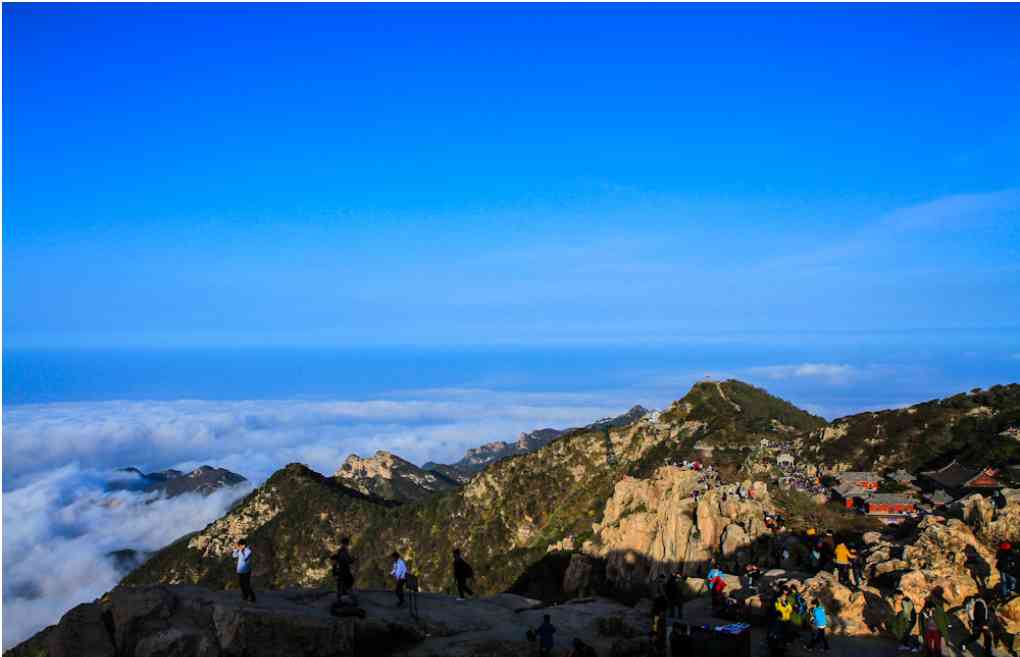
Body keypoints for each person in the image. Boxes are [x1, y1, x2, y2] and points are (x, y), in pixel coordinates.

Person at [921, 590, 951, 657]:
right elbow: (922, 622)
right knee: (928, 644)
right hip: (928, 630)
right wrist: (927, 616)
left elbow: (944, 615)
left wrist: (948, 623)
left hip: (936, 630)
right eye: (927, 609)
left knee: (937, 644)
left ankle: (938, 654)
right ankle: (929, 654)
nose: (929, 610)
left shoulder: (938, 609)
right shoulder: (924, 611)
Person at [329, 536, 355, 601]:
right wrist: (352, 560)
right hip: (343, 570)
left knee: (344, 582)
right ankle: (344, 596)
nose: (347, 545)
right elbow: (345, 560)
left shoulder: (342, 550)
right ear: (345, 543)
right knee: (348, 581)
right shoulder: (343, 551)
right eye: (347, 543)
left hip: (342, 570)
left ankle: (342, 596)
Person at [232, 538, 256, 603]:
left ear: (243, 545)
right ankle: (245, 596)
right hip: (240, 571)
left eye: (240, 545)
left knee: (247, 585)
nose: (239, 546)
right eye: (238, 545)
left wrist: (241, 551)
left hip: (246, 571)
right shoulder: (240, 550)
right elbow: (234, 556)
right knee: (241, 584)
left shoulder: (248, 550)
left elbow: (244, 558)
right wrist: (235, 550)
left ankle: (253, 597)